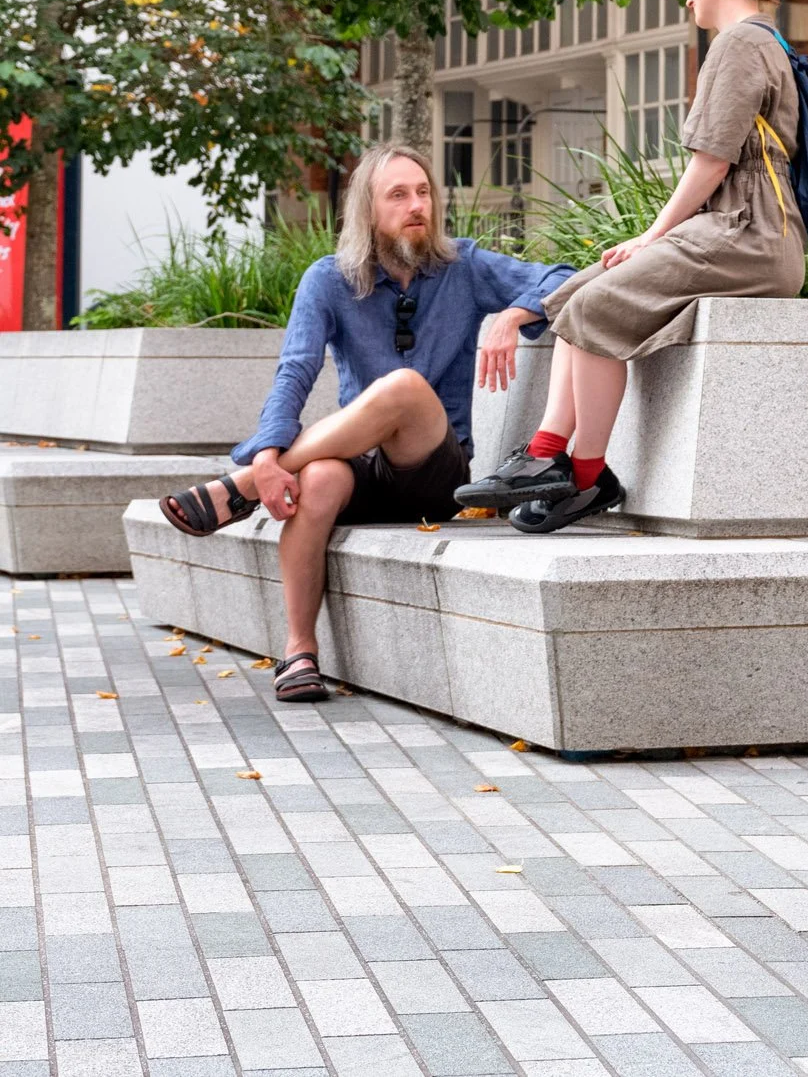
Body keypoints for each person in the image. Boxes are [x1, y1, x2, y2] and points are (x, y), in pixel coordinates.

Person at [159, 142, 572, 704]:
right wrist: (265, 453)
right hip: (360, 470)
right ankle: (300, 651)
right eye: (398, 195)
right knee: (322, 479)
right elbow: (295, 372)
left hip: (433, 470)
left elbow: (565, 275)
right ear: (367, 210)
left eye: (423, 192)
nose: (416, 205)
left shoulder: (465, 267)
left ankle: (241, 492)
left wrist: (514, 313)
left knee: (403, 388)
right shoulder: (329, 280)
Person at [458, 0, 804, 533]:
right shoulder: (759, 41)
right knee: (571, 297)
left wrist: (654, 234)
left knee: (598, 306)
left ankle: (585, 476)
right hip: (739, 229)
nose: (687, 0)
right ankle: (545, 455)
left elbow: (713, 160)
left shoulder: (738, 45)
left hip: (747, 233)